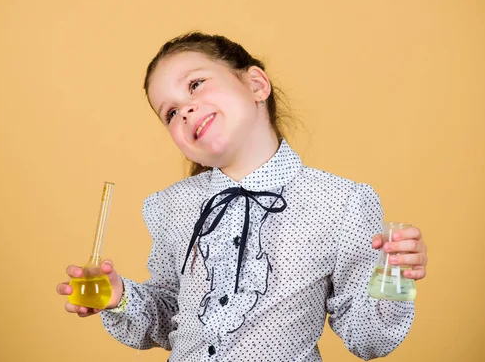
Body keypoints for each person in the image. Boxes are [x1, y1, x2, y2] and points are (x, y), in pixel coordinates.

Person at [56, 32, 428, 361]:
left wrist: (394, 277)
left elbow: (369, 340)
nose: (183, 109)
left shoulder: (342, 203)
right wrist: (119, 296)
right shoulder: (170, 206)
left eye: (196, 84)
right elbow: (170, 317)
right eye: (169, 112)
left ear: (255, 84)